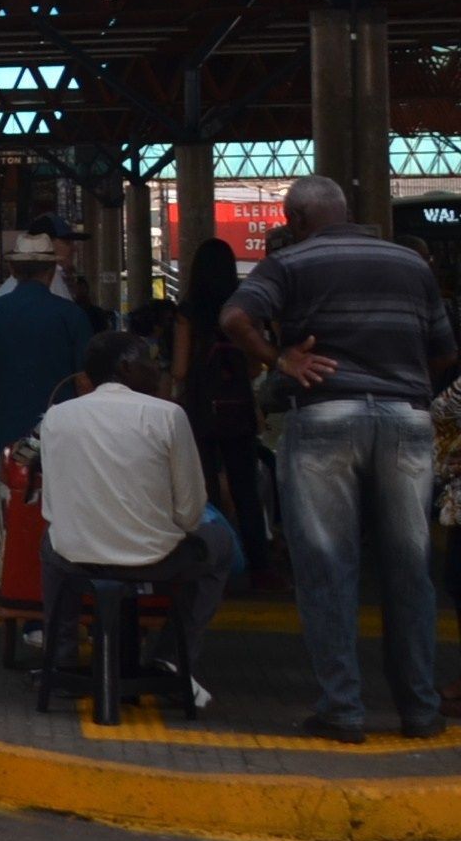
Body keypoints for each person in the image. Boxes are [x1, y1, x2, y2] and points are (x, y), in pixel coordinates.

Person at [222, 176, 452, 741]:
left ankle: (342, 709)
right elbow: (446, 350)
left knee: (327, 568)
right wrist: (405, 383)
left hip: (325, 417)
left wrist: (281, 361)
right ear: (347, 212)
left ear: (295, 219)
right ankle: (419, 710)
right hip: (405, 421)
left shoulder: (291, 262)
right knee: (409, 570)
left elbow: (234, 319)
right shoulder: (410, 264)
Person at [33, 330, 237, 707]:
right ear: (126, 368)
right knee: (221, 545)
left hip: (76, 558)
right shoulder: (168, 416)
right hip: (154, 561)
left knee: (50, 546)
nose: (157, 369)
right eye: (150, 361)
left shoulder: (57, 417)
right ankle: (171, 658)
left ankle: (59, 659)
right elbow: (191, 511)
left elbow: (52, 506)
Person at [168, 236, 270, 580]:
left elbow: (180, 370)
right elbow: (257, 366)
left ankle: (212, 560)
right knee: (246, 489)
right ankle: (259, 564)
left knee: (204, 486)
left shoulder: (189, 310)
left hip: (200, 409)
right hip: (238, 408)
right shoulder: (244, 308)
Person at [0, 238, 88, 468]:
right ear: (51, 271)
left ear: (13, 270)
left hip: (7, 440)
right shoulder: (72, 315)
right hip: (64, 440)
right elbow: (83, 381)